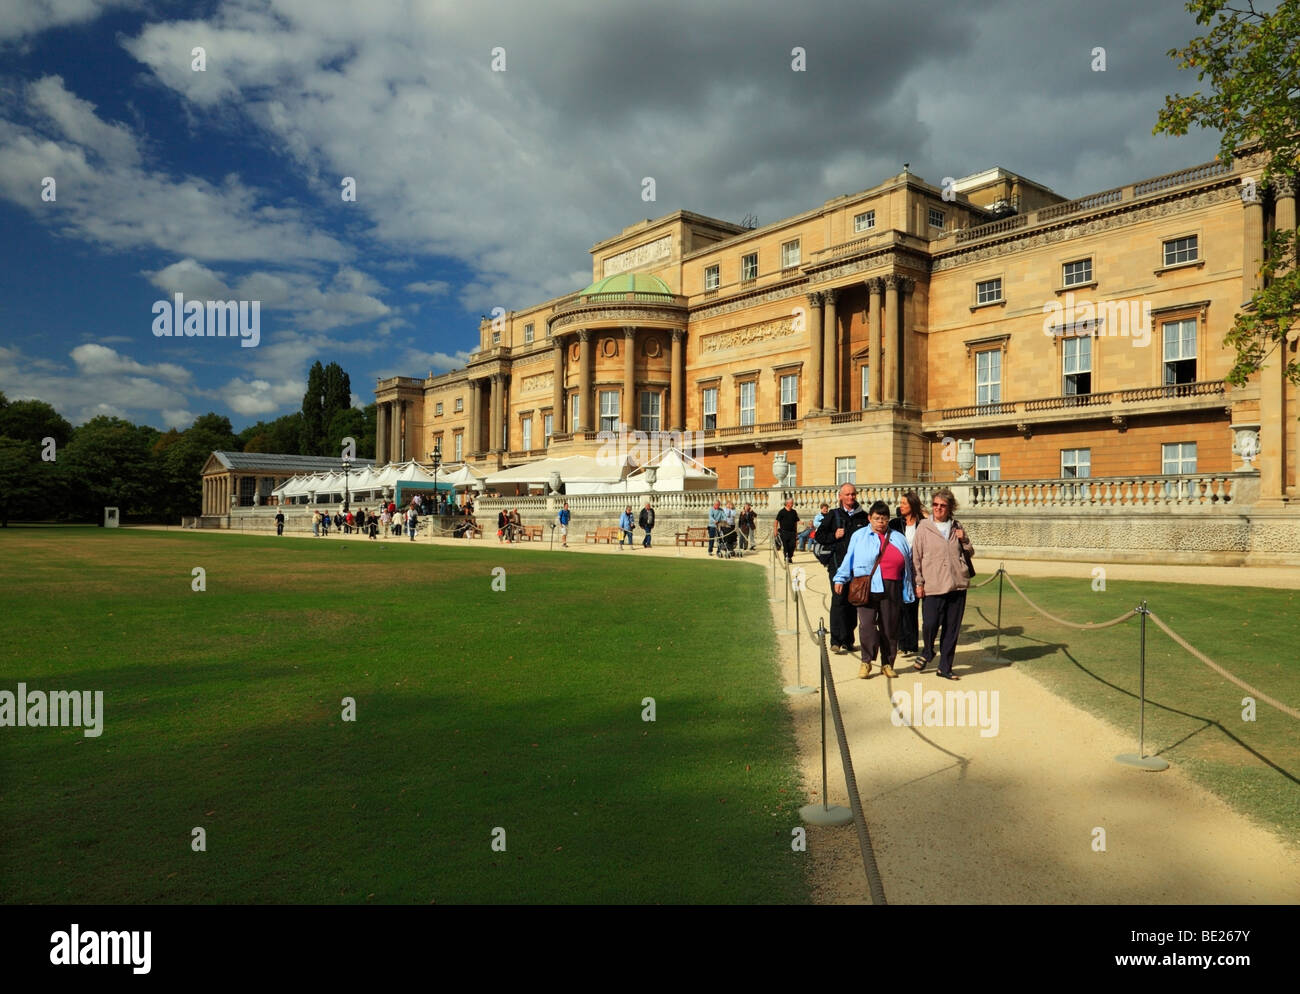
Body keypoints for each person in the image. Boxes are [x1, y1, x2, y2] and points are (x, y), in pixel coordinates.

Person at [834, 500, 915, 680]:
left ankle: (887, 663)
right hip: (866, 585)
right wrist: (840, 578)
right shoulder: (859, 535)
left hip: (892, 585)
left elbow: (909, 564)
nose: (881, 522)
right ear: (870, 518)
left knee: (890, 626)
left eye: (884, 519)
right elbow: (849, 558)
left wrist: (911, 586)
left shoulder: (898, 537)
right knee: (867, 625)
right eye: (877, 518)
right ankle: (866, 661)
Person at [911, 487, 975, 680]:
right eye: (935, 505)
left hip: (957, 583)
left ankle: (945, 667)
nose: (938, 508)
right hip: (933, 583)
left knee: (952, 628)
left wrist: (965, 540)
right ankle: (928, 651)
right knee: (930, 623)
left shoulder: (957, 526)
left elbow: (970, 552)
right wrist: (918, 583)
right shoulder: (923, 527)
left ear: (950, 508)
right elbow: (916, 558)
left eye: (942, 505)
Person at [814, 482, 871, 655]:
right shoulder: (833, 515)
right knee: (838, 600)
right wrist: (834, 535)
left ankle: (848, 640)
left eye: (853, 494)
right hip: (838, 566)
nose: (850, 497)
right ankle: (836, 640)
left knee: (853, 601)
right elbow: (819, 536)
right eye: (847, 494)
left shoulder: (863, 517)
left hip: (857, 568)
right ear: (840, 496)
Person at [889, 491, 927, 664]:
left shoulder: (924, 524)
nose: (901, 506)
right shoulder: (896, 523)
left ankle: (911, 643)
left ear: (912, 505)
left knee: (913, 605)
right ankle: (902, 642)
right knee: (901, 605)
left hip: (919, 569)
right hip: (900, 569)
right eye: (901, 503)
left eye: (904, 503)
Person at [773, 497, 800, 563]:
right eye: (791, 503)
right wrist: (775, 530)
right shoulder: (782, 512)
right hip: (784, 532)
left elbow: (795, 522)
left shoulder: (794, 512)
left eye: (792, 503)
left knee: (793, 545)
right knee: (786, 546)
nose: (792, 504)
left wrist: (796, 532)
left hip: (792, 532)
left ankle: (790, 556)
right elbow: (776, 521)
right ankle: (786, 557)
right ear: (787, 503)